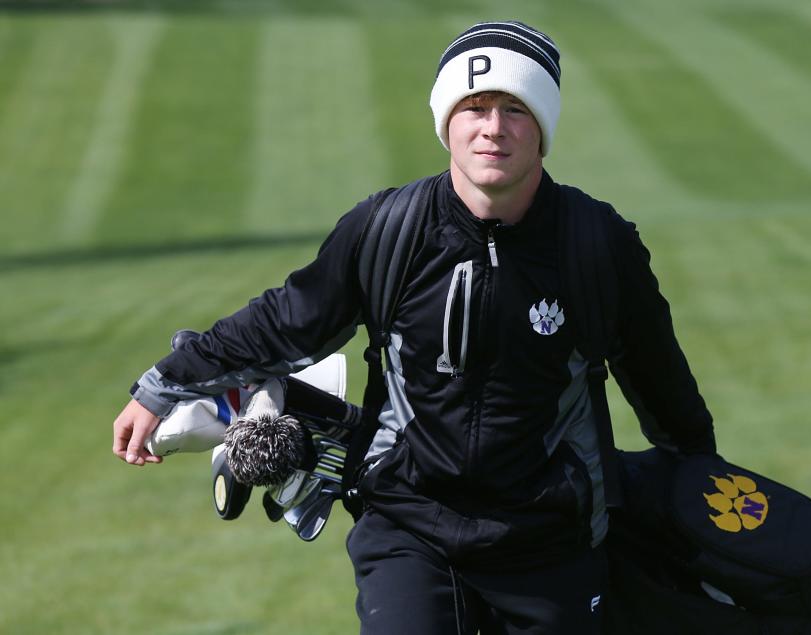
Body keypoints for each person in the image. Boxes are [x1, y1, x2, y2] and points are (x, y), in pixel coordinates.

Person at [112, 21, 716, 634]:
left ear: (544, 127)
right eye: (474, 107)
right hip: (408, 525)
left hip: (549, 538)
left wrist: (702, 475)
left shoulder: (597, 242)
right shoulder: (387, 229)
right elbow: (286, 321)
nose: (493, 128)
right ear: (446, 120)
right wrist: (164, 386)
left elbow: (656, 372)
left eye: (515, 108)